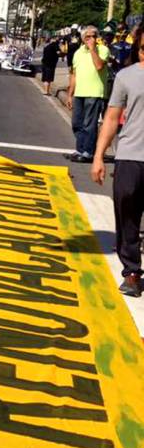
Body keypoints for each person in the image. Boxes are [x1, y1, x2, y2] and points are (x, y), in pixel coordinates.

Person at [91, 28, 144, 296]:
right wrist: (99, 156)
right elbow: (112, 118)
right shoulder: (126, 76)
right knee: (127, 215)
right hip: (130, 156)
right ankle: (132, 272)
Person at [67, 25, 110, 163]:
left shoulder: (103, 50)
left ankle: (88, 152)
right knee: (76, 123)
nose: (91, 39)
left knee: (89, 124)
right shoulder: (78, 53)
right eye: (88, 37)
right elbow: (74, 74)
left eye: (94, 36)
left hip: (95, 93)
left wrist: (92, 50)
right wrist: (70, 94)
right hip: (80, 93)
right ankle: (80, 149)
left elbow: (99, 66)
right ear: (83, 39)